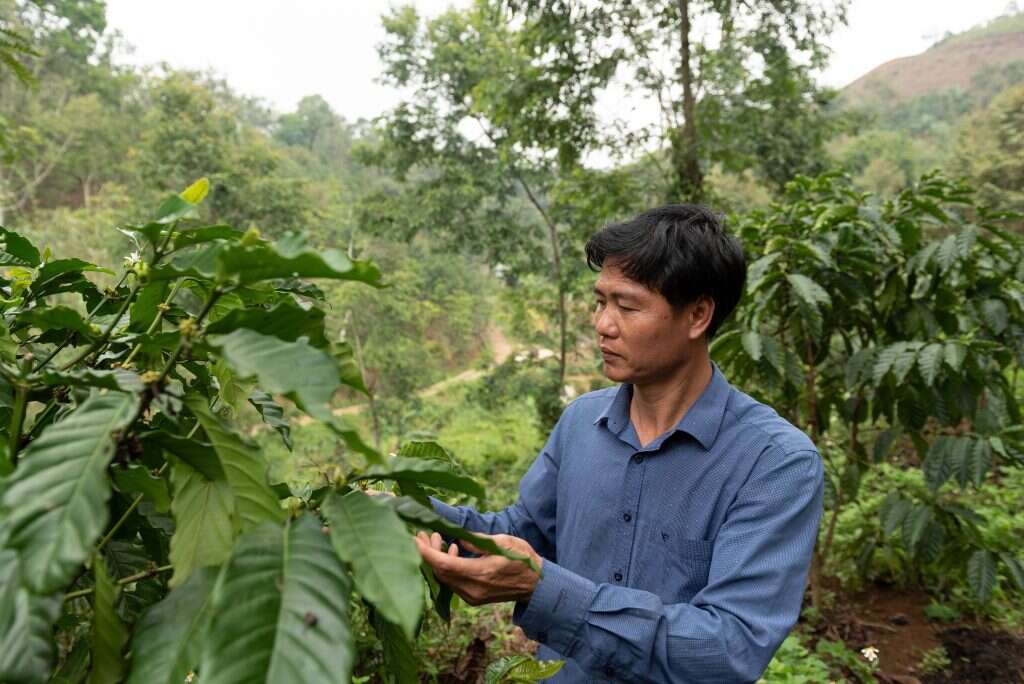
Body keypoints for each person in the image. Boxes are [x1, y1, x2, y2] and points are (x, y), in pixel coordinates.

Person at [416, 204, 823, 683]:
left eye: (627, 306)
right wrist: (405, 512)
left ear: (697, 315)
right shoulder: (581, 422)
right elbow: (520, 532)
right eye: (600, 301)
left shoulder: (775, 463)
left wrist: (548, 591)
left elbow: (727, 650)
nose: (603, 324)